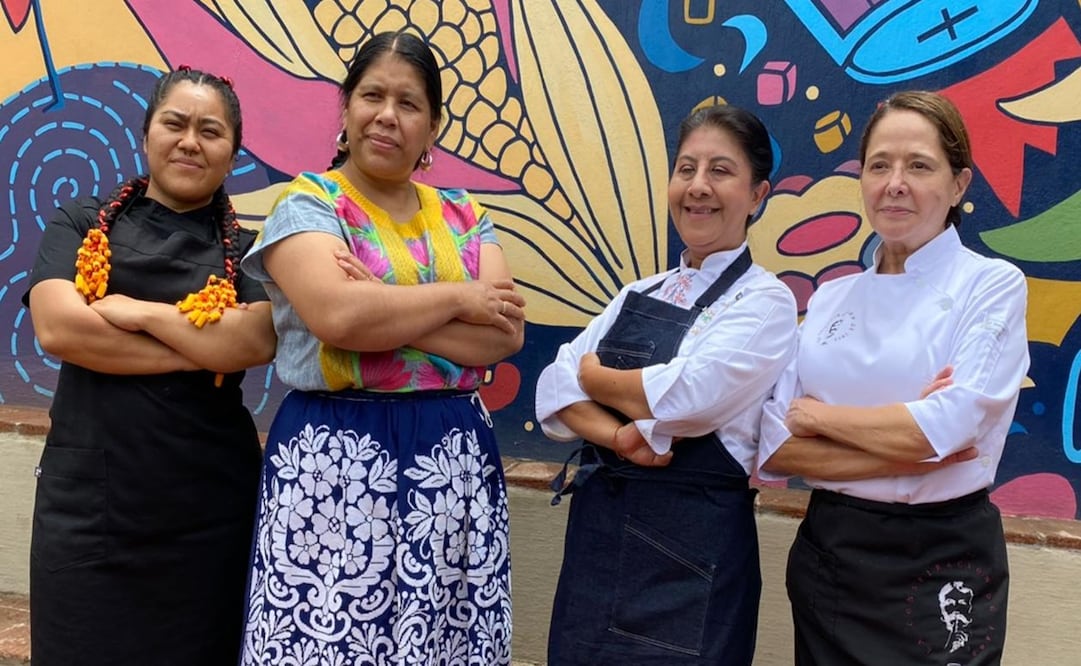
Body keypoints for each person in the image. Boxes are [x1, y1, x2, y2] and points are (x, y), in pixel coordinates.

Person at [238, 31, 525, 665]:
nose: (387, 115)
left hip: (450, 467)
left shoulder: (465, 214)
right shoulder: (308, 204)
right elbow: (338, 315)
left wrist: (389, 308)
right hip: (337, 459)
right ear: (345, 107)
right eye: (371, 95)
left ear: (433, 127)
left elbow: (504, 335)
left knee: (441, 639)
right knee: (326, 638)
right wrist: (458, 297)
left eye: (409, 102)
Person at [758, 90, 1029, 665]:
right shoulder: (829, 299)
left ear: (959, 184)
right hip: (834, 552)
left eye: (919, 165)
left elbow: (946, 426)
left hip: (944, 558)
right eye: (879, 165)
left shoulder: (992, 286)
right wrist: (911, 440)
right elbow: (775, 447)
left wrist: (820, 417)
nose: (894, 182)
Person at [24, 67, 275, 665]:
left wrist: (133, 311)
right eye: (175, 123)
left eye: (210, 130)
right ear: (146, 135)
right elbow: (60, 326)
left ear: (233, 152)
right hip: (89, 510)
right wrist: (198, 348)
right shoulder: (81, 223)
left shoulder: (248, 248)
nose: (190, 140)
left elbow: (258, 339)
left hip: (208, 511)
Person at [535, 104, 798, 665]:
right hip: (599, 540)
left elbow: (689, 399)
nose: (698, 187)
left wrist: (594, 376)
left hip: (691, 559)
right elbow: (552, 388)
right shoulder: (639, 291)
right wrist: (618, 437)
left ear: (757, 195)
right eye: (686, 168)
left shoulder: (765, 301)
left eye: (721, 171)